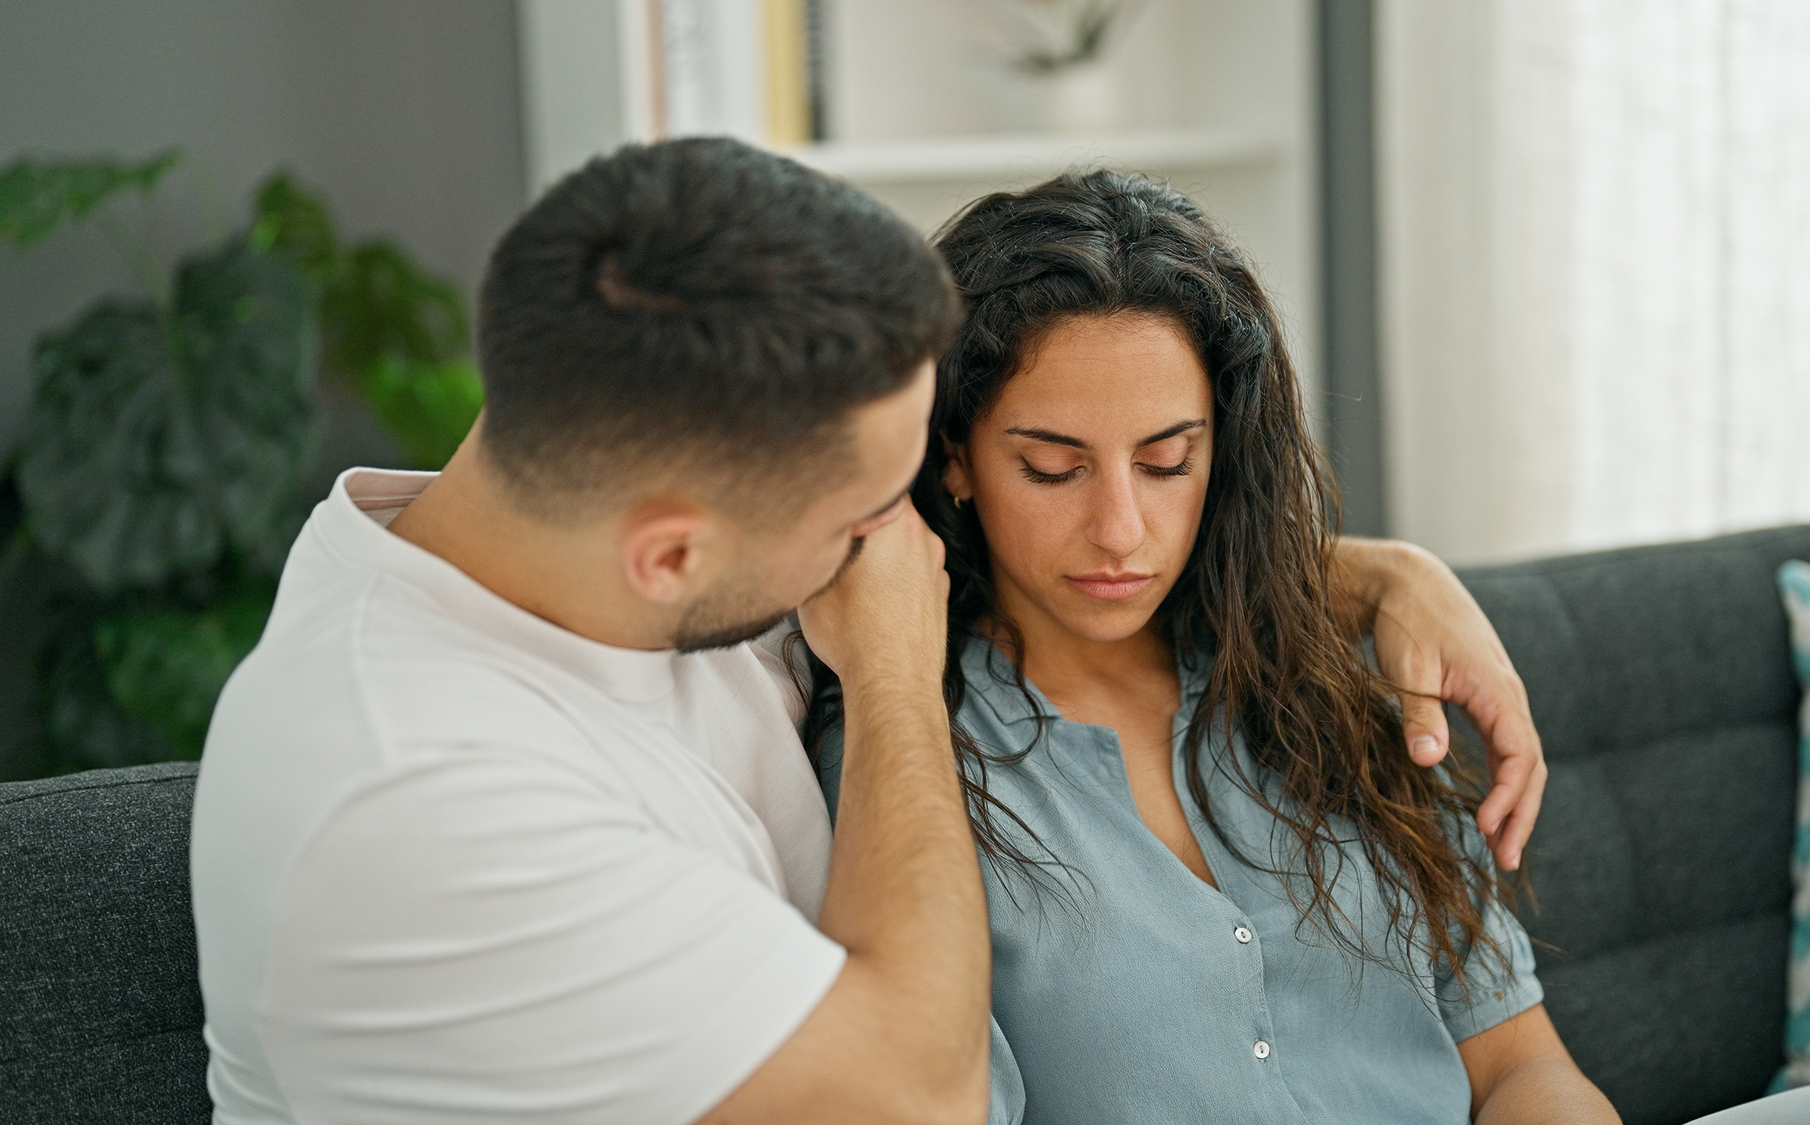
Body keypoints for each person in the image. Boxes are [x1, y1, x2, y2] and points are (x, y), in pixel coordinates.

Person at [189, 139, 1548, 1125]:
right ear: (678, 552)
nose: (907, 544)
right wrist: (897, 674)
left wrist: (1362, 576)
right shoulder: (421, 800)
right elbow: (925, 1100)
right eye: (868, 515)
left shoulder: (599, 557)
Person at [812, 170, 1810, 1125]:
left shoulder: (1332, 689)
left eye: (1169, 460)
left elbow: (1516, 1068)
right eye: (1052, 467)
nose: (1121, 528)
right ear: (954, 457)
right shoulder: (912, 768)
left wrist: (1394, 570)